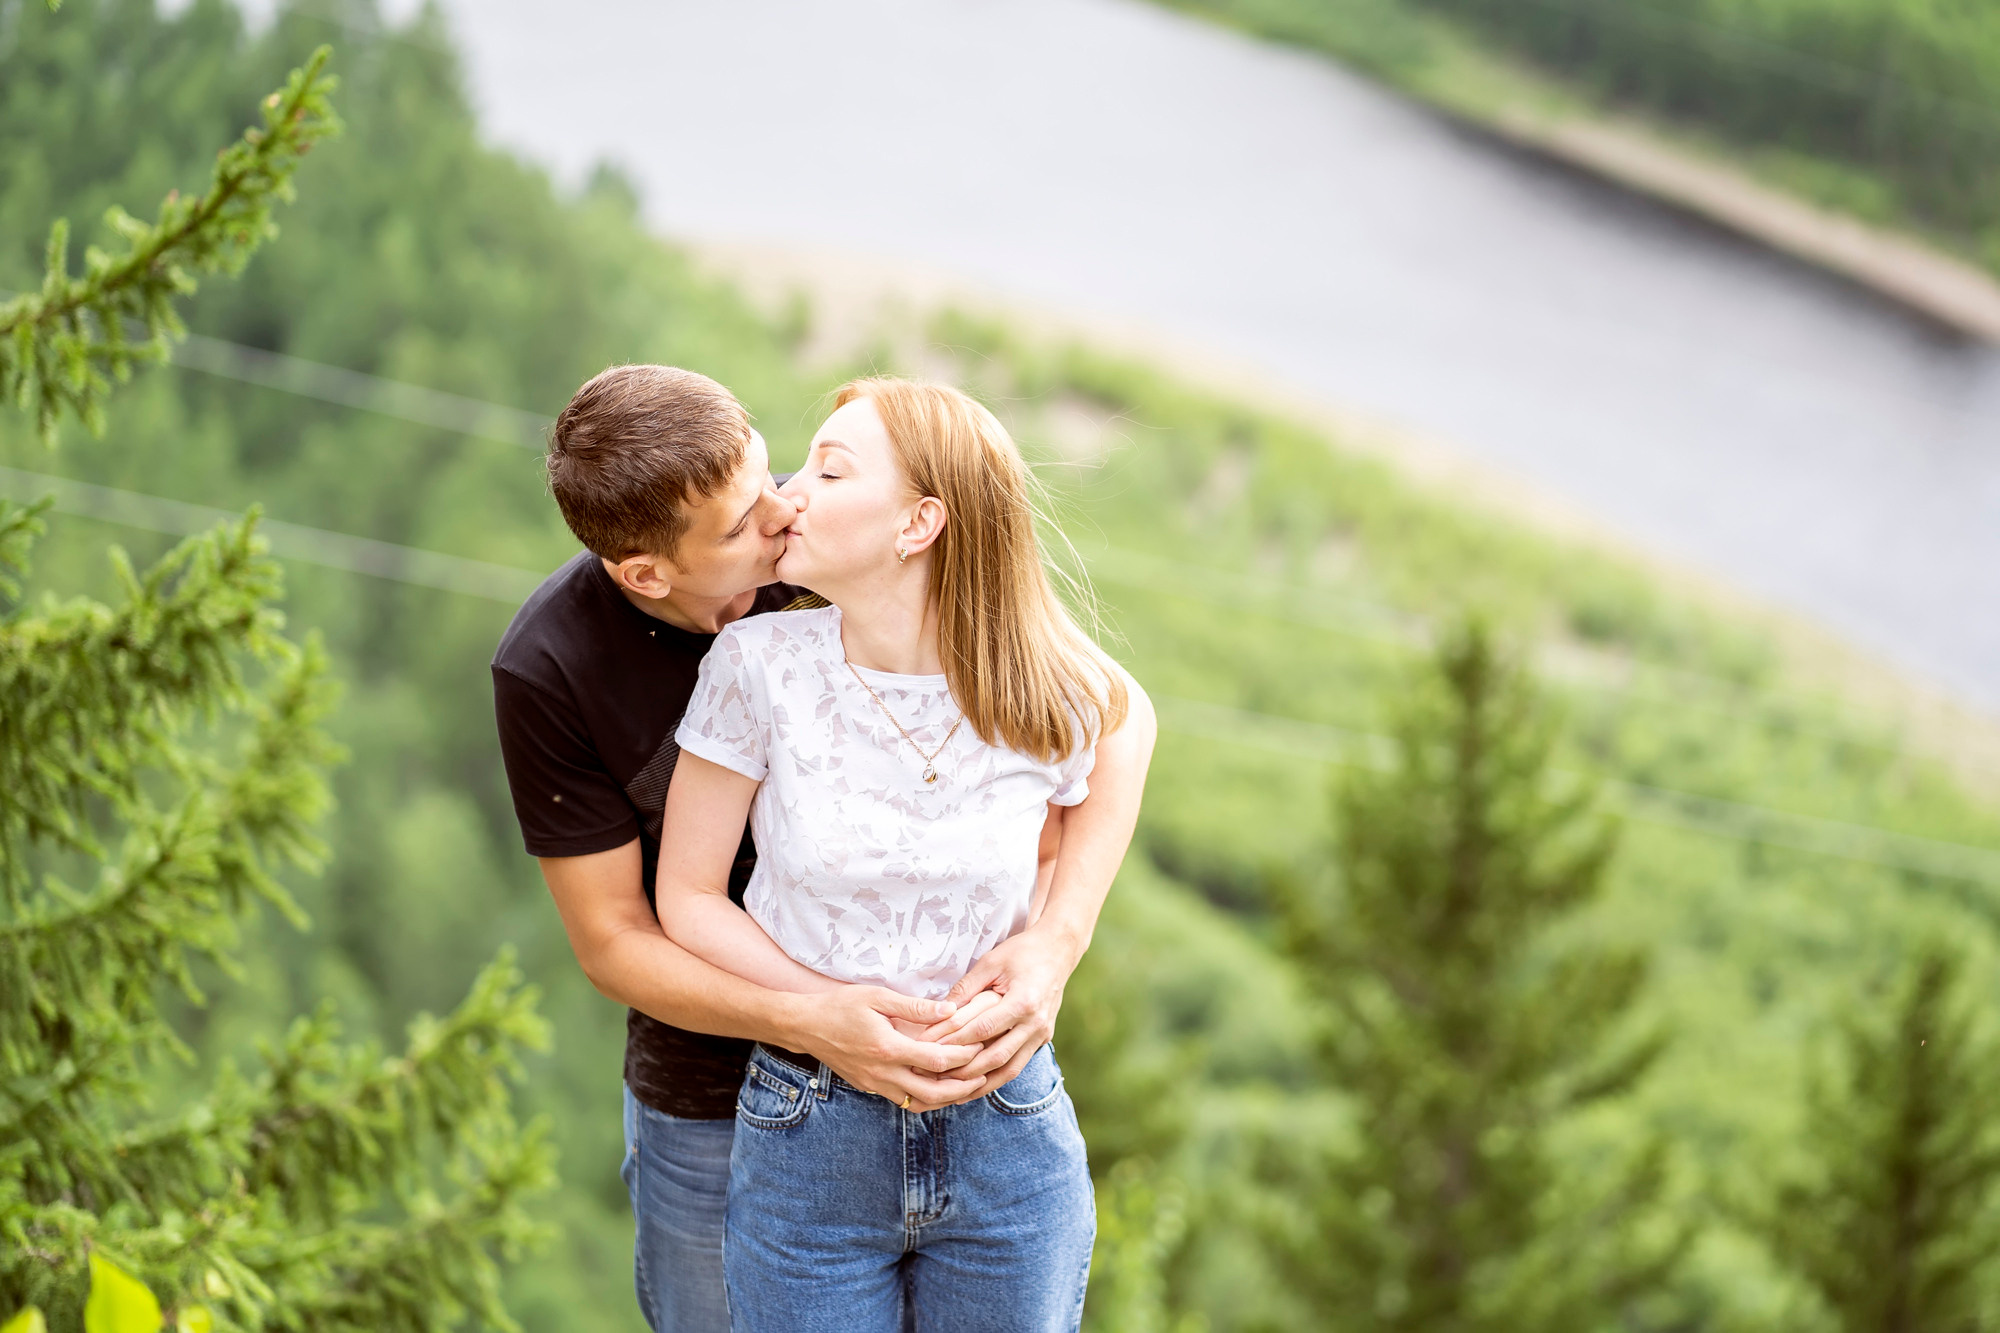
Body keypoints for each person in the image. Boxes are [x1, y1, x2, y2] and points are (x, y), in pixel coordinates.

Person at [491, 365, 1156, 1333]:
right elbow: (618, 938)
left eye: (781, 474)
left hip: (970, 1091)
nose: (777, 510)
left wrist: (1056, 941)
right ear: (648, 572)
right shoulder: (559, 664)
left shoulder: (832, 574)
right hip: (722, 1093)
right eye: (736, 523)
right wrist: (814, 1020)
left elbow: (1107, 714)